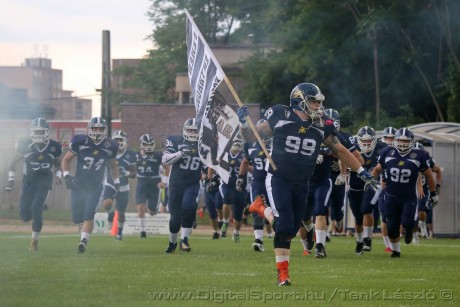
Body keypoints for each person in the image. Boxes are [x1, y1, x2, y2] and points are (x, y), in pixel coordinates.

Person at [237, 82, 377, 286]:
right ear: (299, 101)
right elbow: (252, 137)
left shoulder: (322, 124)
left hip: (303, 182)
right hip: (278, 178)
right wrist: (243, 123)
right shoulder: (280, 114)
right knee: (284, 226)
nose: (317, 106)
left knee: (292, 230)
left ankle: (259, 206)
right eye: (313, 101)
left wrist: (362, 171)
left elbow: (339, 150)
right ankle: (283, 275)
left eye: (319, 102)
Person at [371, 128, 439, 258]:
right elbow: (377, 169)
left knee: (408, 222)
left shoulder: (420, 155)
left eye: (405, 141)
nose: (402, 143)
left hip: (409, 197)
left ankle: (409, 230)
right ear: (396, 141)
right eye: (400, 140)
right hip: (390, 196)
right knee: (391, 227)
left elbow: (429, 176)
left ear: (411, 142)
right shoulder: (387, 152)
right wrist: (373, 182)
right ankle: (396, 251)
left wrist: (433, 193)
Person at [61, 117, 119, 253]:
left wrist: (116, 182)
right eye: (95, 128)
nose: (98, 131)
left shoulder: (110, 146)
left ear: (105, 130)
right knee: (77, 217)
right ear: (89, 129)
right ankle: (82, 228)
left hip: (95, 186)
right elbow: (66, 159)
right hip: (78, 185)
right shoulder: (80, 141)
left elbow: (113, 166)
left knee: (89, 214)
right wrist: (67, 176)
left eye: (101, 129)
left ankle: (83, 241)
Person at [6, 118, 63, 251]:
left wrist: (58, 177)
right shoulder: (25, 145)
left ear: (46, 132)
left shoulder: (53, 146)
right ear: (32, 132)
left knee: (37, 209)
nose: (38, 134)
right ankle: (35, 211)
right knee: (25, 216)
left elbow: (58, 165)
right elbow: (13, 163)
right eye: (36, 131)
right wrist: (11, 179)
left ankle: (34, 242)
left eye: (41, 131)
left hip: (44, 181)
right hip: (28, 181)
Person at [162, 118, 204, 253]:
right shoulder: (175, 140)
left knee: (189, 206)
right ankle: (172, 243)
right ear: (185, 130)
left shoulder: (204, 144)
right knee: (175, 218)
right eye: (190, 130)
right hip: (175, 184)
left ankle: (184, 240)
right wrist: (180, 153)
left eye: (195, 130)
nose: (192, 133)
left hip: (192, 183)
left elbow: (214, 161)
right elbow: (165, 160)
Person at [347, 126, 387, 255]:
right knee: (358, 218)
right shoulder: (352, 147)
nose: (366, 143)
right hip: (355, 186)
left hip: (372, 185)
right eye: (364, 141)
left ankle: (367, 238)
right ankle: (359, 241)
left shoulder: (382, 148)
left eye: (369, 140)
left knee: (366, 210)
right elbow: (341, 158)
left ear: (374, 140)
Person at [238, 129, 271, 251]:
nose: (262, 138)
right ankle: (259, 240)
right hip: (258, 182)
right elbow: (245, 161)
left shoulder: (276, 145)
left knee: (276, 209)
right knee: (257, 209)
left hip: (273, 181)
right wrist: (240, 177)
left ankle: (280, 237)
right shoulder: (251, 146)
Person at [101, 130, 137, 240]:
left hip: (123, 186)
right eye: (116, 140)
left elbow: (134, 173)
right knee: (107, 204)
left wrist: (126, 173)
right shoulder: (108, 152)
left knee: (121, 213)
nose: (118, 142)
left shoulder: (131, 154)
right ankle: (111, 214)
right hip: (110, 182)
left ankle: (119, 232)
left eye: (120, 140)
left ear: (126, 141)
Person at [219, 134, 247, 242]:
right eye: (235, 142)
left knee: (238, 212)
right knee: (227, 198)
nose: (236, 144)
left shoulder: (245, 154)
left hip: (240, 185)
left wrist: (245, 164)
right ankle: (225, 222)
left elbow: (251, 169)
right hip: (227, 183)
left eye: (239, 142)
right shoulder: (225, 153)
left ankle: (236, 233)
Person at [413, 142, 442, 242]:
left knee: (421, 213)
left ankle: (422, 224)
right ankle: (415, 235)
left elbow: (437, 170)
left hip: (424, 189)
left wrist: (438, 185)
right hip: (410, 189)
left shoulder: (427, 160)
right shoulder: (406, 158)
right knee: (412, 213)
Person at [135, 133, 163, 238]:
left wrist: (164, 180)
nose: (148, 146)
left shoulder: (157, 155)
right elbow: (131, 167)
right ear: (141, 145)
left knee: (151, 211)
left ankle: (153, 209)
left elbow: (167, 166)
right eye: (146, 144)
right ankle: (142, 232)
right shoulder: (136, 156)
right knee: (141, 207)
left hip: (154, 184)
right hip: (141, 183)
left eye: (150, 144)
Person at [378, 126, 397, 252]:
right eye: (387, 138)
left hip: (399, 188)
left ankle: (395, 241)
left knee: (396, 216)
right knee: (384, 216)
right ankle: (387, 245)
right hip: (383, 188)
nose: (389, 141)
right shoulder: (378, 151)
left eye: (392, 138)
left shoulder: (402, 152)